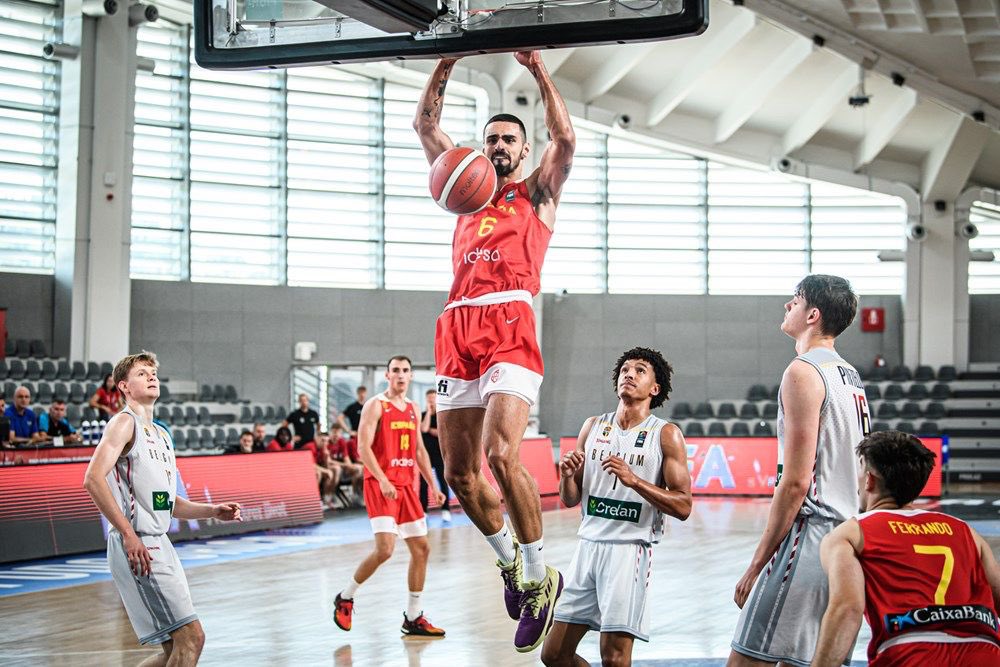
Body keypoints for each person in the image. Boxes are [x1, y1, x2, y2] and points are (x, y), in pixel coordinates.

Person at [413, 50, 575, 653]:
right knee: (459, 473)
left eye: (509, 139)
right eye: (491, 139)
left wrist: (536, 68)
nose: (499, 146)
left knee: (503, 454)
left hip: (511, 317)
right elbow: (427, 127)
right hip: (457, 323)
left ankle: (539, 576)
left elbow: (566, 137)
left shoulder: (537, 193)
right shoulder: (463, 187)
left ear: (523, 150)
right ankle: (509, 559)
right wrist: (448, 59)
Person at [729, 275, 868, 667]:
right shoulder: (851, 376)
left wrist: (756, 564)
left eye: (794, 300)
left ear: (813, 314)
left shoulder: (802, 372)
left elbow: (795, 481)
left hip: (810, 535)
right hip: (846, 537)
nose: (786, 306)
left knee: (745, 660)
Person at [83, 351, 241, 665]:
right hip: (138, 543)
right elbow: (92, 479)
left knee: (175, 648)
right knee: (192, 638)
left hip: (159, 542)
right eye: (142, 373)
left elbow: (168, 502)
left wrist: (213, 511)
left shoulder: (162, 435)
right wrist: (129, 535)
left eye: (153, 372)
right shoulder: (123, 423)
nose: (151, 377)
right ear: (124, 387)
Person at [542, 347, 692, 667]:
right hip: (587, 548)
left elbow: (683, 505)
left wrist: (635, 481)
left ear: (655, 388)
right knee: (554, 654)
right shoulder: (593, 426)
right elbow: (570, 498)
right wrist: (567, 476)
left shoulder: (665, 434)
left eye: (640, 370)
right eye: (625, 369)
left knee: (614, 657)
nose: (629, 374)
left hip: (629, 551)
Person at [812, 431, 1000, 666]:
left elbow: (848, 610)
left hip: (910, 650)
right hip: (983, 650)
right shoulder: (965, 531)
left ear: (869, 480)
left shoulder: (850, 534)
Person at [333, 355, 447, 638]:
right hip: (381, 484)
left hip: (406, 486)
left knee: (422, 549)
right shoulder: (375, 405)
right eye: (395, 370)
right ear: (387, 375)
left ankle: (413, 616)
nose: (400, 375)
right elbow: (362, 447)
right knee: (385, 549)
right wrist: (382, 478)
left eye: (405, 371)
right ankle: (345, 597)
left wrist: (433, 485)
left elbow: (420, 451)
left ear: (410, 376)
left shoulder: (412, 407)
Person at [419, 389, 451, 522]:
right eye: (429, 399)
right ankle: (424, 511)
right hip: (426, 455)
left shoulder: (441, 415)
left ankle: (445, 509)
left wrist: (434, 431)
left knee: (442, 481)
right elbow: (424, 429)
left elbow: (443, 433)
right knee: (423, 483)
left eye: (433, 398)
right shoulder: (422, 414)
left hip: (439, 454)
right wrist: (428, 412)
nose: (431, 401)